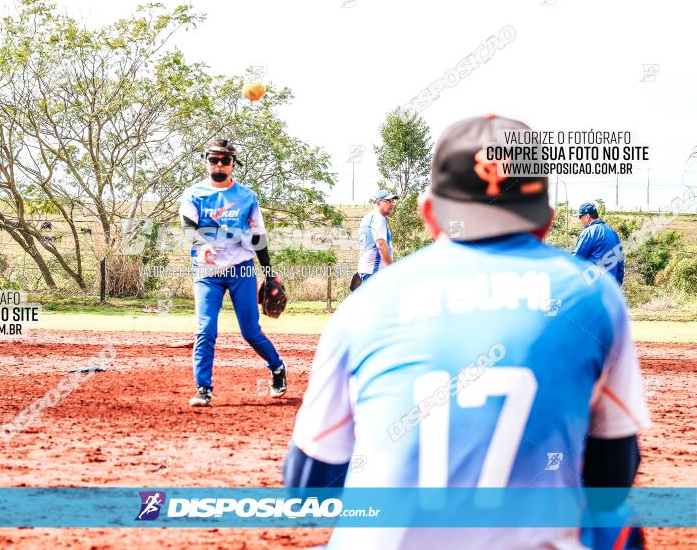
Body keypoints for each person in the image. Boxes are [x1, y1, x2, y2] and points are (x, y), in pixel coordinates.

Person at [283, 115, 649, 549]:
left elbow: (308, 487)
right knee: (620, 528)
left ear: (429, 214)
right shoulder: (593, 296)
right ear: (546, 219)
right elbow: (614, 474)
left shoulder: (368, 302)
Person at [179, 139, 286, 407]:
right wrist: (201, 244)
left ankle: (277, 367)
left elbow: (259, 237)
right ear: (205, 161)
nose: (218, 164)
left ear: (232, 165)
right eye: (213, 159)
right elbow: (188, 228)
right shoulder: (194, 194)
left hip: (241, 268)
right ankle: (203, 388)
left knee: (250, 332)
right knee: (205, 330)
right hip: (207, 270)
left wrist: (269, 274)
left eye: (224, 160)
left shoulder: (247, 197)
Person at [572, 202, 625, 285]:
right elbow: (620, 261)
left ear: (587, 216)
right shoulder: (613, 232)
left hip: (593, 285)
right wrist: (617, 284)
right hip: (610, 285)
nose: (580, 220)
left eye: (580, 217)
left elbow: (576, 258)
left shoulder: (589, 232)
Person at [357, 191, 398, 283]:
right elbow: (381, 245)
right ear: (378, 202)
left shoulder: (368, 217)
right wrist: (392, 268)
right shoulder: (378, 217)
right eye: (388, 201)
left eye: (393, 201)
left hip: (368, 269)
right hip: (375, 270)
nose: (392, 204)